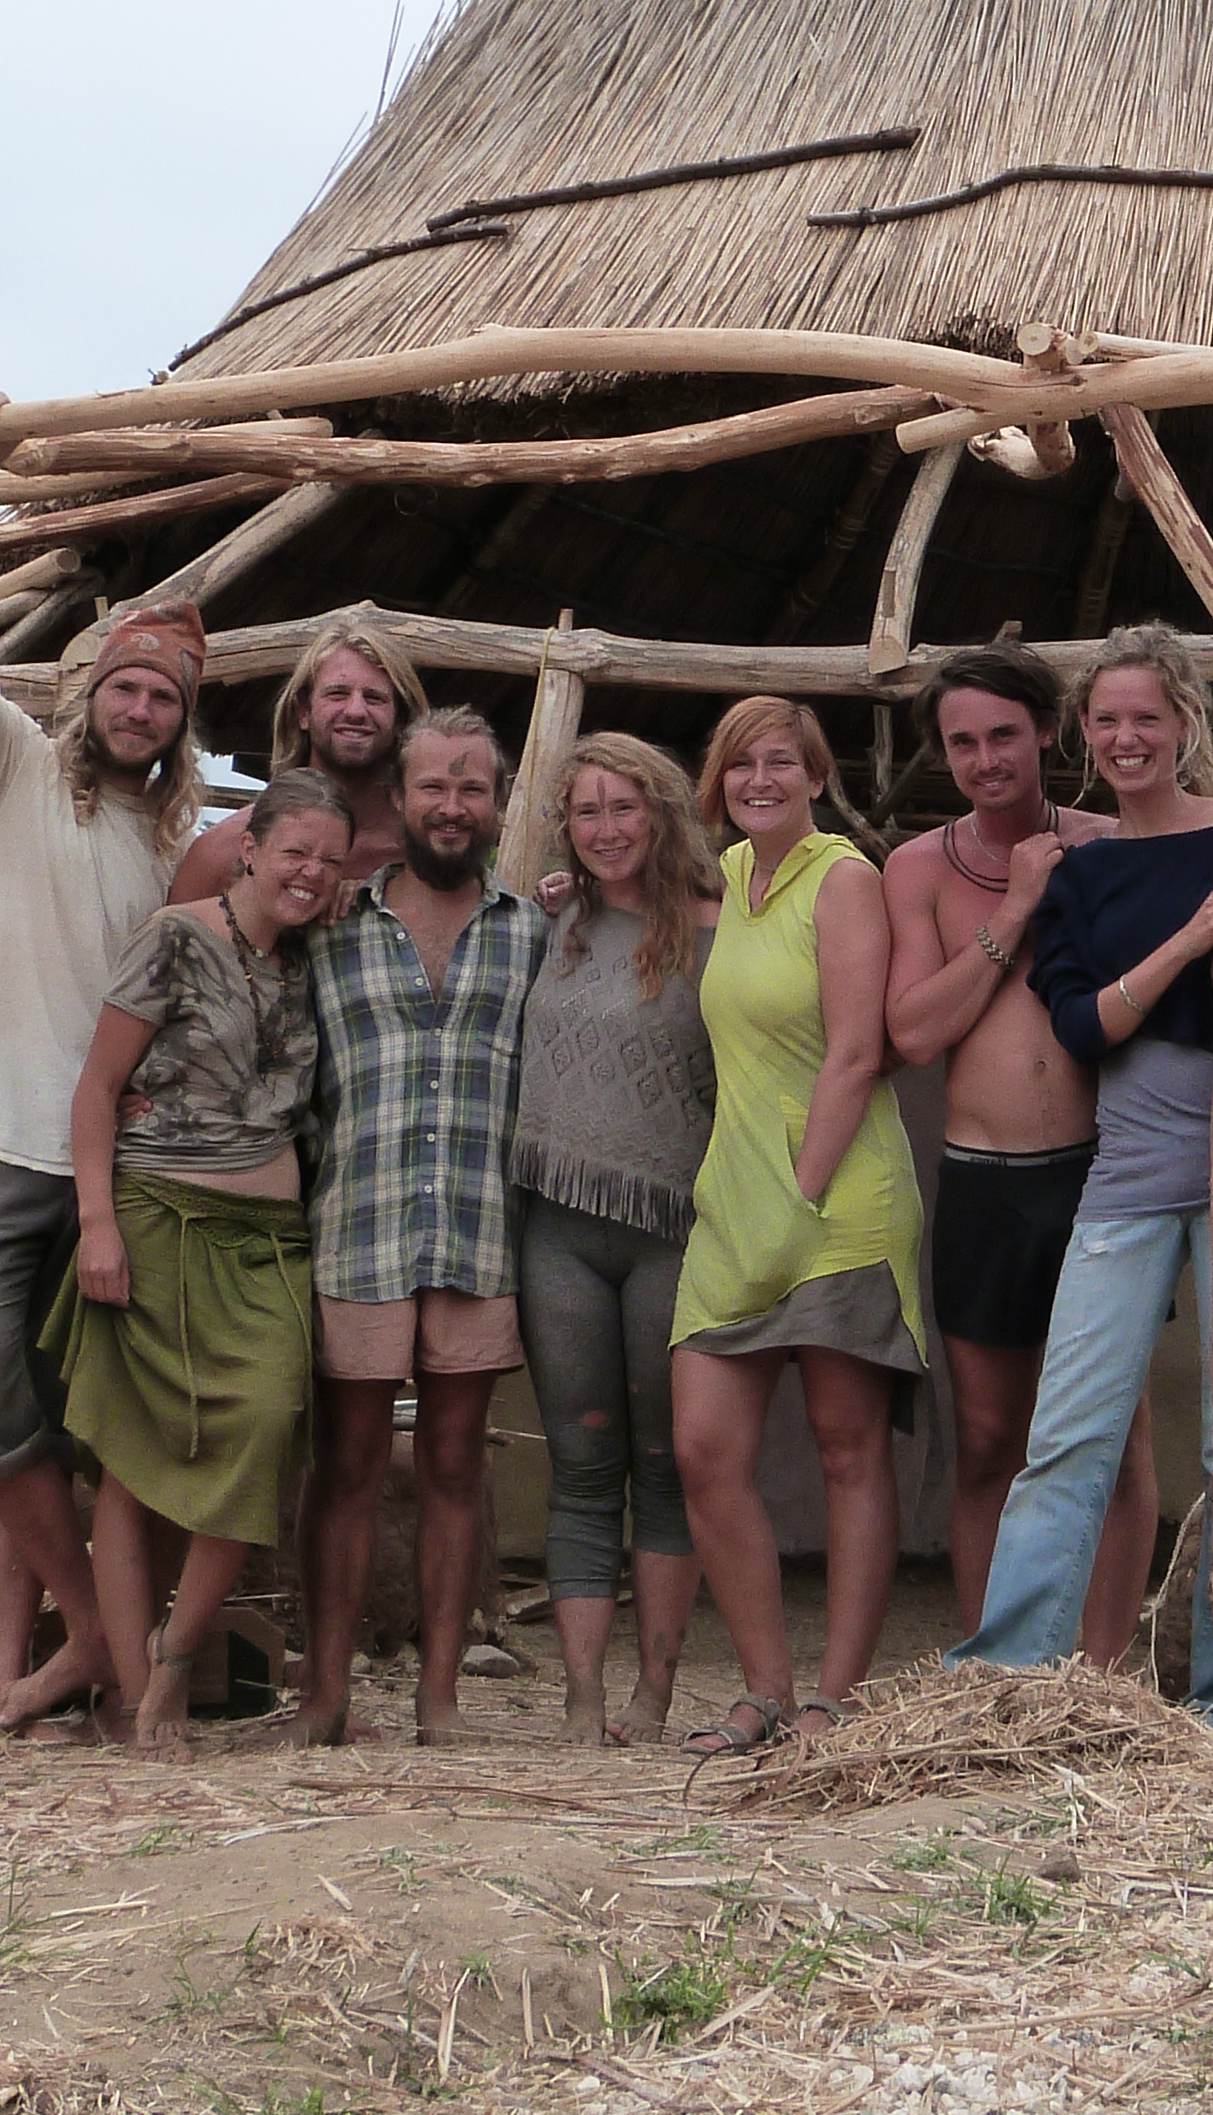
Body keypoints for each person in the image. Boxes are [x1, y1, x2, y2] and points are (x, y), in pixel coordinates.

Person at [950, 625, 1213, 1713]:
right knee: (1069, 1423)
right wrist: (1189, 940)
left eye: (1146, 720)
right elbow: (1080, 1025)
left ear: (1184, 727)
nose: (1126, 739)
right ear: (1085, 732)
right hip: (1134, 1150)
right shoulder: (1088, 872)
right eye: (1107, 720)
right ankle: (1008, 1684)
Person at [0, 395, 205, 1732]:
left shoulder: (175, 847)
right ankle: (96, 1643)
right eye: (127, 685)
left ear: (185, 721)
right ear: (90, 691)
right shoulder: (10, 767)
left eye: (167, 697)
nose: (142, 708)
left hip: (103, 1167)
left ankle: (25, 1675)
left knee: (60, 1413)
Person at [42, 766, 351, 1757]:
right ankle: (144, 1703)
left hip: (269, 1246)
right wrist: (97, 1223)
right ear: (251, 845)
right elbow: (97, 1089)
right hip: (157, 1219)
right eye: (294, 850)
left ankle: (177, 1652)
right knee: (135, 1465)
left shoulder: (320, 963)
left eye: (329, 862)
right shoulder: (176, 938)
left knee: (263, 1431)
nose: (309, 874)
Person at [882, 643, 1157, 1660]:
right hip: (985, 1183)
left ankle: (1102, 1674)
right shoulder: (916, 868)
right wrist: (1013, 910)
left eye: (1003, 734)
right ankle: (996, 1675)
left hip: (1100, 1175)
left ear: (1049, 730)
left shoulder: (1112, 842)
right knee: (991, 1438)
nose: (986, 758)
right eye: (963, 742)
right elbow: (913, 1033)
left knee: (1111, 1437)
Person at [669, 697, 925, 1754]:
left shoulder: (846, 879)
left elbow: (857, 1054)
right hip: (733, 1204)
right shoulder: (725, 880)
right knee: (703, 1447)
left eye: (780, 763)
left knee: (846, 1447)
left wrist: (801, 1198)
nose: (758, 780)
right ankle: (760, 1689)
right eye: (739, 765)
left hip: (838, 1204)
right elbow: (630, 894)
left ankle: (835, 1695)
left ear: (816, 777)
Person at [299, 706, 548, 1745]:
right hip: (355, 1230)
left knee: (455, 1465)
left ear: (496, 805)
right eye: (434, 787)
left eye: (473, 788)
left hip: (478, 1233)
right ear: (397, 800)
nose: (453, 806)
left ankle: (438, 1698)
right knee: (347, 1469)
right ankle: (326, 1693)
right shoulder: (331, 928)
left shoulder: (533, 931)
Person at [511, 731, 722, 1745]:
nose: (604, 830)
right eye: (586, 811)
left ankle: (656, 1694)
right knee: (582, 1462)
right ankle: (584, 1698)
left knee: (665, 1462)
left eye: (623, 808)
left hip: (673, 1231)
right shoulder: (547, 924)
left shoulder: (716, 932)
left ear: (661, 814)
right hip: (557, 1231)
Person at [172, 623, 429, 902]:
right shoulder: (226, 850)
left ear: (401, 722)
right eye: (337, 694)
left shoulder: (425, 855)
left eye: (374, 698)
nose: (356, 711)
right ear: (303, 712)